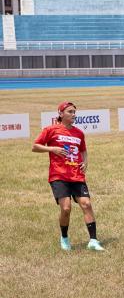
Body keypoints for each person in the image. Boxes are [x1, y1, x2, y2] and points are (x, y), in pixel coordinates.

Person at [32, 101, 104, 251]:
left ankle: (93, 240)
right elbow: (35, 146)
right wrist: (52, 149)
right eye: (70, 112)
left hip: (76, 175)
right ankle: (64, 238)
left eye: (74, 112)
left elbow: (83, 150)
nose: (73, 115)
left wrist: (85, 162)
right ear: (61, 113)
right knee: (66, 208)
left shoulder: (79, 133)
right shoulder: (51, 130)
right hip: (58, 175)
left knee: (86, 204)